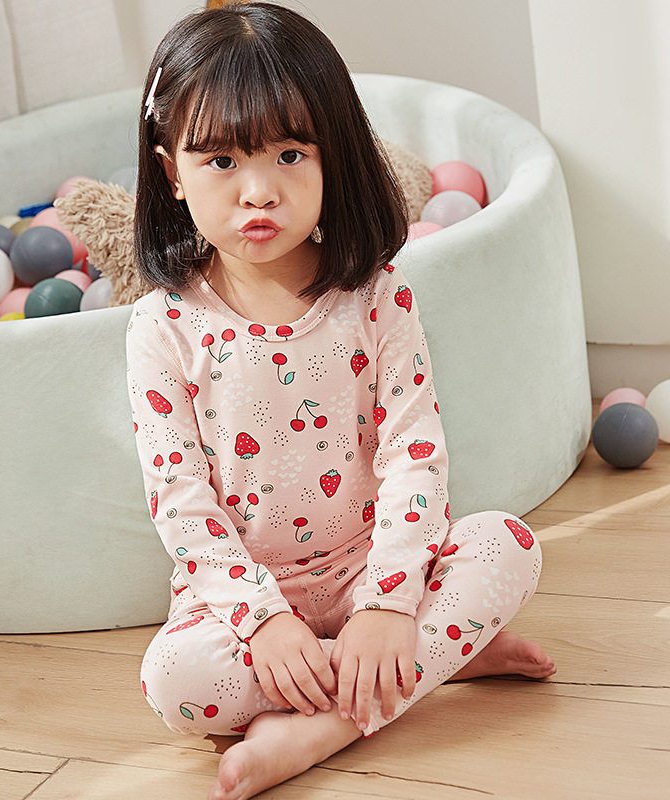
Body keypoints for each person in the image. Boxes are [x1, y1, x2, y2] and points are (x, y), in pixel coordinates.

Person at [126, 4, 555, 799]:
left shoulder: (377, 296)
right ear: (170, 172)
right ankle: (437, 657)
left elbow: (414, 452)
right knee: (175, 682)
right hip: (245, 600)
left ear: (335, 155)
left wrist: (389, 604)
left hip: (377, 565)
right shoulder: (162, 326)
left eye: (291, 153)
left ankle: (328, 721)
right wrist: (263, 621)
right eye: (221, 160)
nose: (259, 191)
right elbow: (180, 500)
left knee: (509, 546)